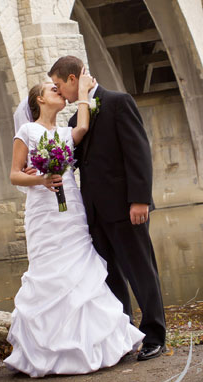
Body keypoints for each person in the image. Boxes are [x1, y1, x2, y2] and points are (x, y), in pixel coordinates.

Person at [5, 71, 144, 377]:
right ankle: (47, 350)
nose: (58, 92)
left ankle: (99, 346)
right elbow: (14, 174)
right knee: (49, 271)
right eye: (52, 89)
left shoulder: (67, 134)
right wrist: (41, 178)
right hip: (44, 212)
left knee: (82, 269)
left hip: (72, 212)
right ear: (40, 99)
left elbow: (83, 125)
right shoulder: (27, 131)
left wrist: (82, 91)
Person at [49, 55, 166, 361]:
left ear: (74, 79)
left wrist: (139, 199)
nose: (59, 92)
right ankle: (123, 336)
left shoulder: (118, 102)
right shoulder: (77, 121)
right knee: (110, 277)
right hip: (94, 213)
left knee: (141, 271)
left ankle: (155, 335)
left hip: (127, 207)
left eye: (59, 84)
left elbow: (138, 152)